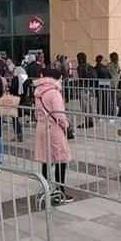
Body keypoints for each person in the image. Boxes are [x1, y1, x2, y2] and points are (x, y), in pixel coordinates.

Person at [34, 68, 73, 204]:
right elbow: (59, 114)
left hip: (41, 126)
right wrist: (66, 125)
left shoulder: (38, 91)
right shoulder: (54, 93)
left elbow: (36, 112)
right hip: (53, 128)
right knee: (61, 158)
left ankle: (46, 188)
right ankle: (60, 191)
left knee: (46, 159)